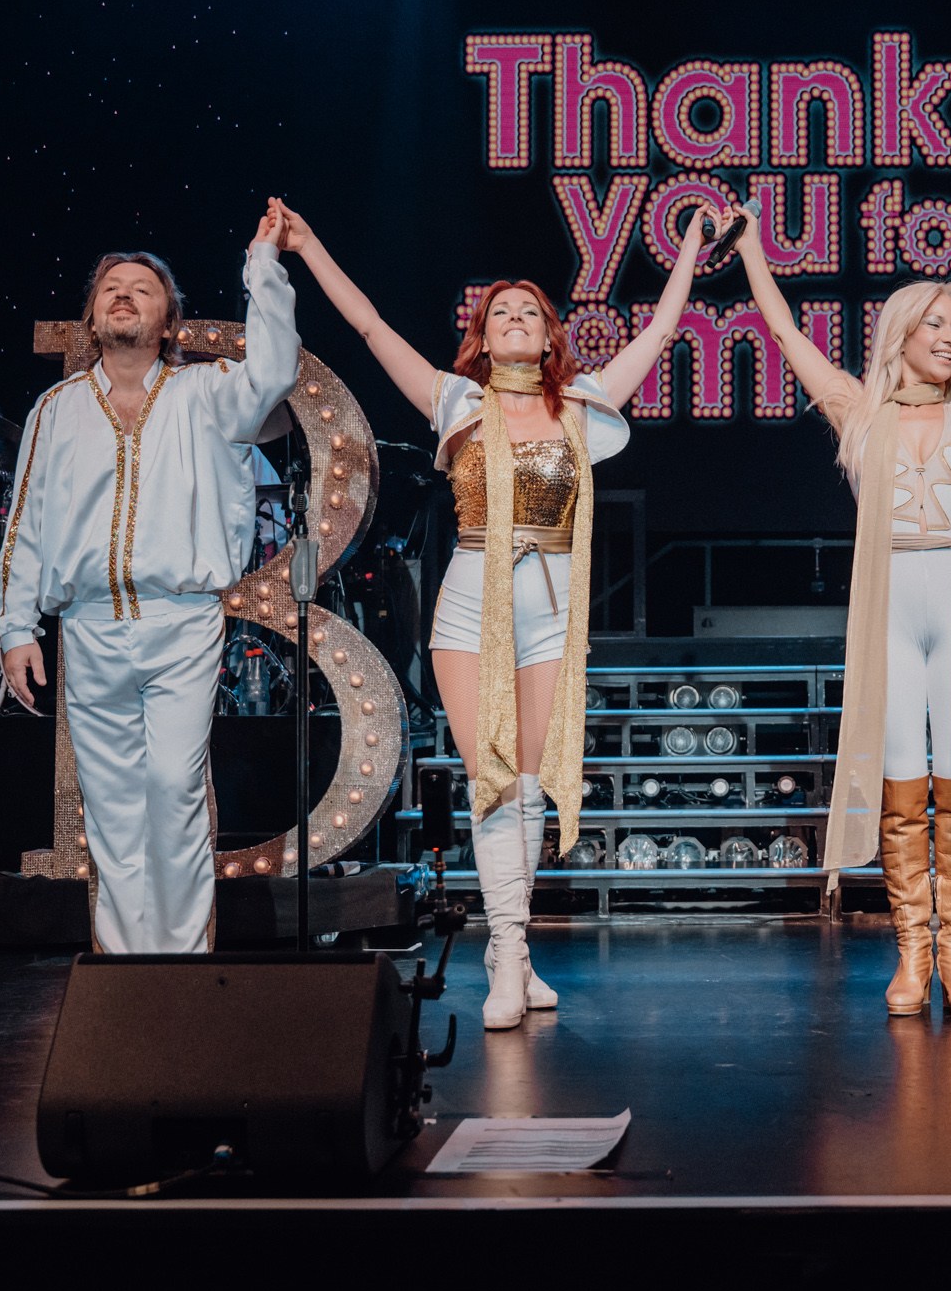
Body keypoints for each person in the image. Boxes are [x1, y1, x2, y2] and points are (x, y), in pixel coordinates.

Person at [272, 196, 710, 1030]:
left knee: (534, 787)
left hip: (548, 609)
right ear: (483, 334)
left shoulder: (580, 406)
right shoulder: (455, 404)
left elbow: (657, 334)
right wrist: (310, 243)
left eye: (529, 313)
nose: (514, 318)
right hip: (472, 605)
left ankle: (516, 947)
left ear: (549, 337)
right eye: (499, 310)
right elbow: (367, 325)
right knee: (493, 781)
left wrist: (685, 249)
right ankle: (506, 954)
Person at [734, 190, 951, 1019]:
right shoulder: (861, 413)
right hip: (889, 611)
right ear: (903, 334)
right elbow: (785, 334)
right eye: (938, 325)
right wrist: (748, 251)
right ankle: (911, 956)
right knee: (899, 790)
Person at [0, 211, 300, 953]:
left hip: (182, 622)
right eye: (110, 289)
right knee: (113, 808)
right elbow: (26, 524)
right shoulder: (56, 409)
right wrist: (15, 628)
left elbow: (276, 372)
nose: (123, 297)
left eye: (142, 289)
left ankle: (182, 966)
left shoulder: (209, 393)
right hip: (91, 627)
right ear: (93, 318)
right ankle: (130, 973)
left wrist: (262, 261)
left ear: (170, 322)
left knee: (173, 788)